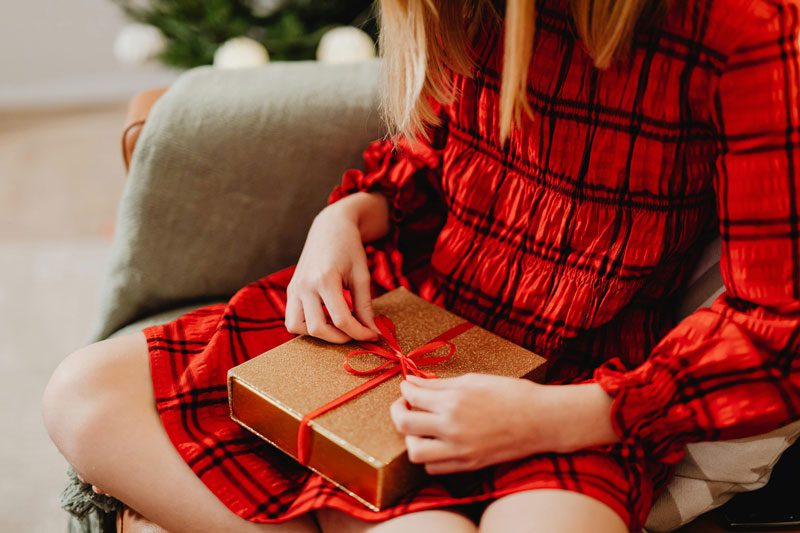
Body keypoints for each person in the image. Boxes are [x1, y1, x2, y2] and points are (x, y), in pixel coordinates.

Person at [42, 0, 800, 531]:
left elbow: (775, 325)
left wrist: (566, 417)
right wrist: (343, 216)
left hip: (579, 383)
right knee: (81, 393)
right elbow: (426, 157)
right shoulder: (459, 12)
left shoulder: (745, 27)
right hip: (410, 312)